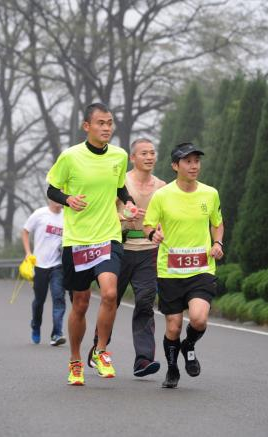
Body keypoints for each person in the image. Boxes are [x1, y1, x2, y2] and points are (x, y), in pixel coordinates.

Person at [46, 102, 138, 386]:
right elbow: (52, 188)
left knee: (110, 293)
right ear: (87, 126)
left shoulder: (120, 156)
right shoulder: (70, 157)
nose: (107, 128)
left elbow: (120, 187)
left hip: (108, 235)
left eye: (110, 123)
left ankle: (100, 351)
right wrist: (67, 200)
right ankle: (75, 360)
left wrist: (130, 204)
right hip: (77, 241)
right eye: (100, 123)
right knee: (81, 304)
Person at [143, 142, 224, 389]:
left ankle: (189, 346)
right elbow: (148, 224)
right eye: (187, 161)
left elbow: (217, 222)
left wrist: (218, 242)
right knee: (174, 326)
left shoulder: (210, 193)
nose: (194, 166)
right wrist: (152, 236)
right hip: (170, 270)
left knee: (198, 320)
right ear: (175, 166)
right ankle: (172, 368)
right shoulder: (162, 195)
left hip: (201, 268)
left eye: (196, 161)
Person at [88, 138, 165, 377]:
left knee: (144, 302)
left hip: (148, 250)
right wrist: (122, 217)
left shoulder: (162, 186)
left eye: (152, 153)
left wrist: (162, 232)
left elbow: (165, 216)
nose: (149, 157)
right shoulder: (122, 183)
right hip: (120, 247)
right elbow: (103, 210)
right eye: (144, 153)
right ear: (133, 158)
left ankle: (143, 360)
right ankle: (98, 348)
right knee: (111, 300)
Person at [21, 199, 66, 346]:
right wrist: (28, 252)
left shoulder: (67, 216)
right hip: (39, 265)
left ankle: (57, 334)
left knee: (59, 298)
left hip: (58, 266)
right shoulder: (40, 214)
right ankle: (35, 325)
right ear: (50, 198)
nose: (60, 201)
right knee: (39, 300)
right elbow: (25, 231)